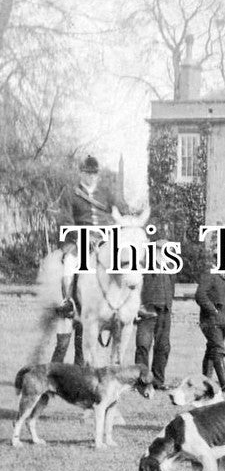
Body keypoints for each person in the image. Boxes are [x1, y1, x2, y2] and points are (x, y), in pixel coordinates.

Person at [54, 155, 130, 325]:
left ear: (98, 174)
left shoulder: (105, 193)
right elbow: (65, 220)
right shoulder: (71, 193)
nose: (91, 177)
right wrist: (79, 236)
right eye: (87, 173)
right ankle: (68, 302)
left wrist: (128, 215)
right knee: (69, 262)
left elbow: (120, 208)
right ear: (81, 173)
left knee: (127, 260)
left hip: (106, 237)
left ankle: (130, 303)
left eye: (94, 173)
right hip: (81, 239)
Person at [134, 224, 175, 390]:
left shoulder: (171, 266)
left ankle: (158, 381)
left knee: (163, 346)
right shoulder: (143, 265)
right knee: (143, 345)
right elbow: (134, 287)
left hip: (165, 310)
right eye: (160, 247)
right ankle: (141, 381)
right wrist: (137, 308)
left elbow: (172, 287)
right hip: (147, 309)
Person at [196, 244, 225, 391]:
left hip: (223, 320)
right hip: (211, 321)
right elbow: (200, 295)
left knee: (212, 350)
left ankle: (205, 382)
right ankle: (224, 381)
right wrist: (213, 311)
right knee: (218, 348)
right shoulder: (210, 274)